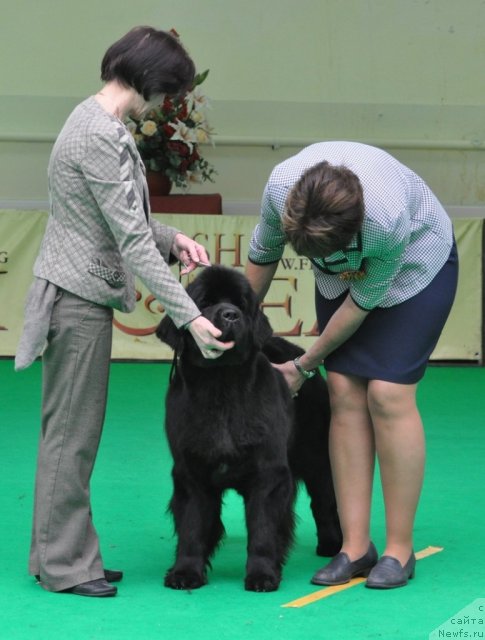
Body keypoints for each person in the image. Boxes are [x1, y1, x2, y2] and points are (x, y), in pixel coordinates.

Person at [15, 26, 233, 598]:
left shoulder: (90, 120)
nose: (167, 103)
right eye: (170, 91)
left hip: (72, 291)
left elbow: (119, 220)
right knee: (73, 438)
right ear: (152, 80)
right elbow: (130, 239)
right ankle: (65, 566)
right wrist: (190, 315)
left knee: (65, 435)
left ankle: (55, 555)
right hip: (77, 298)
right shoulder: (103, 136)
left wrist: (173, 238)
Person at [245, 141, 458, 590]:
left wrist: (301, 366)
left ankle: (400, 550)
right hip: (343, 276)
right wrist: (238, 336)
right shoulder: (282, 187)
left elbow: (360, 305)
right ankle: (355, 547)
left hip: (418, 270)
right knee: (343, 391)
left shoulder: (385, 221)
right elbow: (262, 259)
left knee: (387, 393)